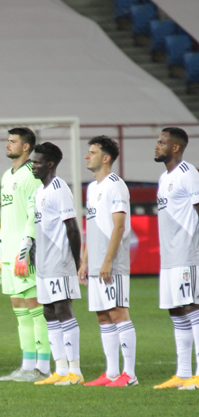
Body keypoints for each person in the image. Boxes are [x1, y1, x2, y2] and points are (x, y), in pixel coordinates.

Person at [79, 136, 137, 387]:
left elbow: (119, 226)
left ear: (105, 158)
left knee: (118, 313)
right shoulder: (92, 188)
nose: (86, 156)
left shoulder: (116, 185)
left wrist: (107, 261)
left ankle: (130, 375)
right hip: (95, 265)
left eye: (92, 152)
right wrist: (84, 262)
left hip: (112, 265)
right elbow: (91, 227)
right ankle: (112, 372)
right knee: (103, 316)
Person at [0, 128, 49, 382]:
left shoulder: (31, 175)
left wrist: (25, 248)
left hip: (25, 251)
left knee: (35, 307)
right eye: (8, 140)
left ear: (26, 147)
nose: (8, 144)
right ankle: (27, 366)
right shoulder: (7, 175)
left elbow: (32, 214)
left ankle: (43, 367)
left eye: (13, 141)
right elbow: (7, 216)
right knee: (18, 307)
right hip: (8, 250)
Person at [30, 142, 84, 386]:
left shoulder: (59, 188)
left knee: (63, 310)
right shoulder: (40, 190)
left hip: (60, 262)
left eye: (37, 161)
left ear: (50, 164)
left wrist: (75, 262)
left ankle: (75, 370)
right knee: (48, 312)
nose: (33, 165)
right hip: (44, 264)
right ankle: (60, 370)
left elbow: (72, 228)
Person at [152, 127, 199, 390]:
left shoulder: (188, 173)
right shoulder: (164, 177)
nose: (157, 146)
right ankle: (182, 373)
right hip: (168, 256)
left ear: (176, 148)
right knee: (176, 310)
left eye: (161, 142)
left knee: (192, 307)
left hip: (186, 253)